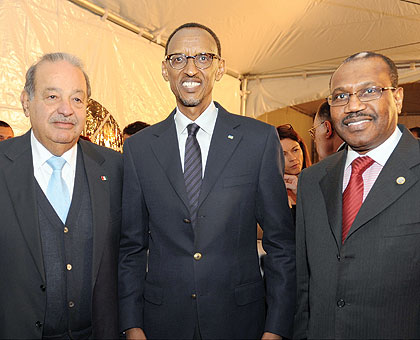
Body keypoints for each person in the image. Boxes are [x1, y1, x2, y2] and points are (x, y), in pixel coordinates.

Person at [119, 23, 295, 340]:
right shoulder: (139, 148)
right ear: (164, 69)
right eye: (178, 59)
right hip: (162, 323)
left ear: (220, 67)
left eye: (202, 57)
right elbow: (132, 248)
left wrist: (277, 328)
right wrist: (132, 326)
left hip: (241, 321)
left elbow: (280, 243)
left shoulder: (257, 139)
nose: (190, 69)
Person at [294, 51, 420, 339]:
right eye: (340, 96)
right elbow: (303, 284)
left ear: (397, 97)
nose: (353, 106)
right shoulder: (312, 180)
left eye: (369, 91)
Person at [0, 52, 122, 339]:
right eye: (52, 96)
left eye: (77, 99)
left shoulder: (115, 169)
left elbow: (130, 255)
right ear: (25, 102)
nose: (66, 110)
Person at [276, 124, 311, 220]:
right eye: (283, 154)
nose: (293, 158)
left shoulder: (319, 180)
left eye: (295, 150)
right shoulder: (272, 191)